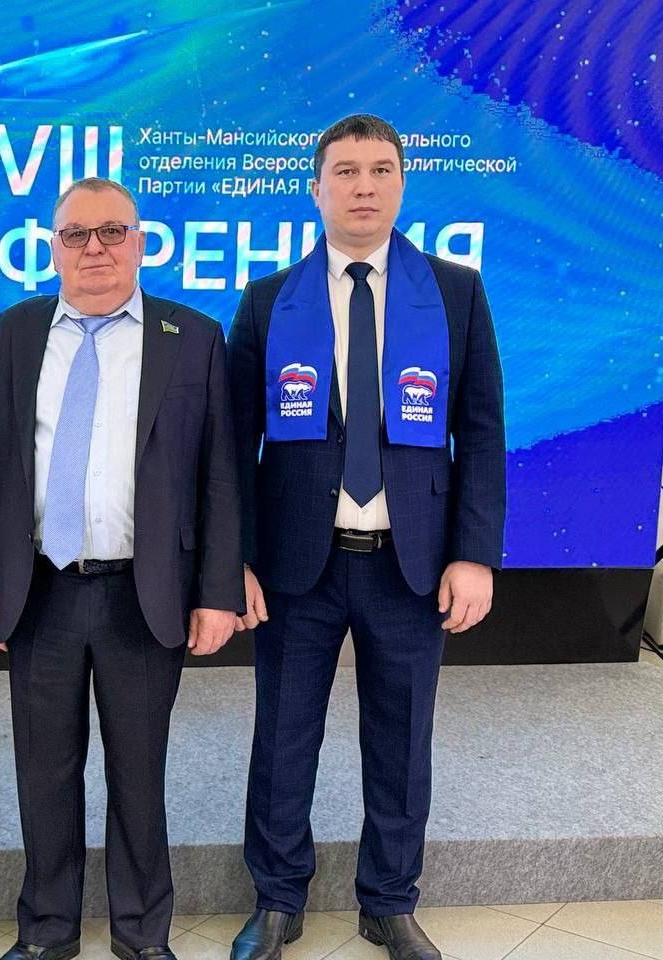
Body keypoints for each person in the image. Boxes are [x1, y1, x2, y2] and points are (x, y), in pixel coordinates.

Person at [226, 114, 505, 960]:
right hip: (296, 567)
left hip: (409, 565)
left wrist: (474, 554)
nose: (364, 186)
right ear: (316, 189)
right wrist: (236, 560)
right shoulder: (269, 300)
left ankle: (388, 901)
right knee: (283, 738)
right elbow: (235, 444)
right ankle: (278, 899)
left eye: (381, 170)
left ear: (402, 184)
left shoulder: (454, 293)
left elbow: (480, 431)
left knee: (401, 740)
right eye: (345, 171)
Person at [0, 177, 244, 960]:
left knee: (138, 774)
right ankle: (47, 930)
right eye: (76, 234)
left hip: (144, 594)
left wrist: (218, 592)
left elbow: (220, 474)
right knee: (44, 775)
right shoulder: (11, 333)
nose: (95, 248)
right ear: (53, 247)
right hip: (40, 592)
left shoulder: (192, 337)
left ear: (141, 242)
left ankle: (142, 933)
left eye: (112, 231)